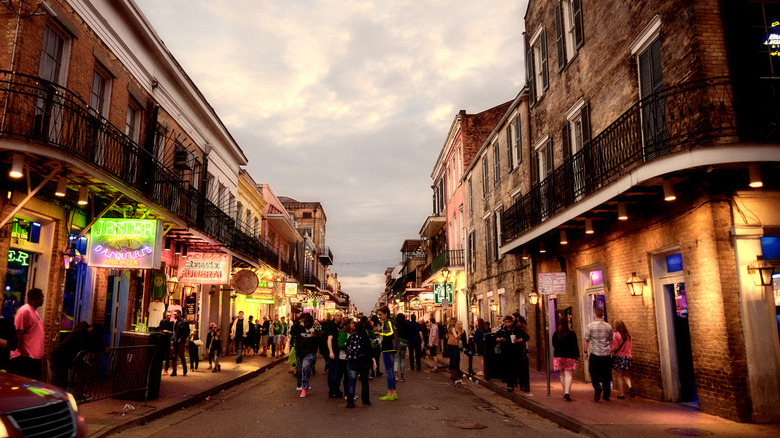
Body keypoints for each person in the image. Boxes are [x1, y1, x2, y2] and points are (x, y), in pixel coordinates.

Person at [49, 321, 107, 388]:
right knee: (58, 381)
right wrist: (103, 349)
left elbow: (95, 342)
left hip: (67, 357)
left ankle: (78, 392)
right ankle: (55, 395)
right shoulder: (79, 333)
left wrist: (103, 347)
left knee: (84, 369)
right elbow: (89, 345)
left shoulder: (85, 332)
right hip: (59, 357)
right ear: (92, 332)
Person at [8, 288, 44, 380]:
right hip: (24, 359)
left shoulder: (34, 312)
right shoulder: (24, 310)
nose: (43, 299)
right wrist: (23, 353)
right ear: (35, 297)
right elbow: (18, 332)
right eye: (41, 297)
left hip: (32, 359)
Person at [344, 319, 376, 408]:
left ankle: (350, 403)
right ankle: (365, 401)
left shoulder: (351, 338)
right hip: (363, 363)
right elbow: (370, 351)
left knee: (351, 383)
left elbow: (346, 349)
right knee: (364, 382)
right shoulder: (365, 338)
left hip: (351, 363)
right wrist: (373, 361)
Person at [583, 307, 613, 401]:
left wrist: (585, 352)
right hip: (606, 354)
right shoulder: (608, 326)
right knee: (606, 374)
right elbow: (611, 340)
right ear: (602, 315)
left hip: (595, 354)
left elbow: (586, 340)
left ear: (595, 315)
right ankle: (607, 394)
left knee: (592, 371)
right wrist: (611, 351)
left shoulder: (590, 326)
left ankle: (597, 387)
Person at [496, 314, 530, 392]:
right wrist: (500, 339)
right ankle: (510, 385)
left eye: (509, 322)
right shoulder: (502, 331)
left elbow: (525, 337)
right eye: (506, 322)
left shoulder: (516, 330)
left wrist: (517, 340)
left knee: (519, 368)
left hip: (516, 351)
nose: (507, 324)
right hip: (506, 352)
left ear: (512, 322)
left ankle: (522, 385)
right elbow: (496, 338)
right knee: (508, 369)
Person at [552, 316, 580, 401]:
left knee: (562, 375)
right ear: (567, 324)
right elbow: (575, 345)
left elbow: (554, 345)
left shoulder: (556, 334)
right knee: (569, 375)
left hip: (559, 356)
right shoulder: (572, 334)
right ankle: (567, 392)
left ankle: (565, 391)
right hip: (569, 356)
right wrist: (576, 356)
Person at [295, 313, 320, 397]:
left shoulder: (314, 331)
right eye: (304, 321)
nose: (305, 323)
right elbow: (292, 331)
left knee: (305, 369)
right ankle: (305, 386)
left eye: (306, 321)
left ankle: (304, 388)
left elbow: (319, 340)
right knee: (301, 371)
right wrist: (298, 322)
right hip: (300, 352)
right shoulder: (299, 329)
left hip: (310, 353)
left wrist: (315, 336)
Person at [377, 306, 398, 401]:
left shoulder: (387, 322)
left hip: (388, 348)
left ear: (386, 314)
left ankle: (390, 393)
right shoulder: (391, 321)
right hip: (392, 348)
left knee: (389, 371)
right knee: (391, 371)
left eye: (381, 314)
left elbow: (389, 332)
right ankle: (393, 392)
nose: (379, 316)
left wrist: (379, 331)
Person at [611, 319, 634, 399]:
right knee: (626, 375)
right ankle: (630, 387)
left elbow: (616, 347)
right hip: (628, 357)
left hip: (619, 357)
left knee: (619, 375)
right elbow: (630, 348)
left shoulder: (615, 335)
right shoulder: (628, 336)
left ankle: (622, 394)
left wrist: (610, 351)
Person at [326, 311, 345, 398]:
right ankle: (332, 391)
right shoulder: (332, 326)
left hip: (341, 353)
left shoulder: (342, 327)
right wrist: (331, 351)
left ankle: (337, 389)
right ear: (334, 317)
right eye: (337, 316)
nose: (339, 317)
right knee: (333, 372)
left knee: (340, 373)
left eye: (341, 316)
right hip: (334, 352)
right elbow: (329, 339)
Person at [170, 310, 189, 376]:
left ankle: (185, 369)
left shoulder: (184, 322)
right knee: (174, 357)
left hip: (181, 342)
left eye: (175, 314)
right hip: (175, 342)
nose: (174, 316)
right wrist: (172, 340)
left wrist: (181, 339)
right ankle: (174, 371)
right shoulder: (175, 323)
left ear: (179, 314)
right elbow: (174, 333)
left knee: (181, 356)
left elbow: (187, 332)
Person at [446, 318, 463, 386]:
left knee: (452, 359)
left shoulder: (448, 328)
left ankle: (452, 373)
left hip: (449, 345)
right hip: (454, 345)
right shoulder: (453, 328)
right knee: (455, 359)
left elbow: (447, 337)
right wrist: (459, 333)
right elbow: (456, 336)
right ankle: (454, 375)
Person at [394, 313, 409, 382]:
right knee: (402, 360)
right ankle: (402, 377)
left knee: (396, 360)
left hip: (397, 343)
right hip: (404, 343)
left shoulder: (395, 325)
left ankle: (396, 376)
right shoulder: (406, 325)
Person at [159, 311, 173, 375]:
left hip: (168, 340)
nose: (169, 317)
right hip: (162, 339)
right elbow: (160, 330)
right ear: (165, 315)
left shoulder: (172, 323)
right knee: (161, 355)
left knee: (167, 355)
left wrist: (167, 331)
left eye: (170, 315)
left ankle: (166, 369)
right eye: (168, 315)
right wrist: (166, 331)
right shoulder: (163, 321)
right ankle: (159, 368)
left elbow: (173, 332)